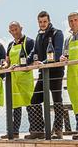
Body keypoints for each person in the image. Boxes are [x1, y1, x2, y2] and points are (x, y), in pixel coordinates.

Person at [27, 11, 65, 140]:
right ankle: (38, 130)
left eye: (44, 21)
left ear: (49, 21)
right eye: (40, 22)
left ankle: (58, 130)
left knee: (57, 100)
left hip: (55, 71)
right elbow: (34, 52)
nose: (42, 24)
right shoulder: (39, 35)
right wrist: (21, 64)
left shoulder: (57, 33)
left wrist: (41, 62)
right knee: (35, 100)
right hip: (43, 72)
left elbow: (58, 52)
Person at [2, 21, 37, 138]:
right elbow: (8, 60)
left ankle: (34, 130)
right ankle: (14, 132)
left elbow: (33, 58)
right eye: (12, 30)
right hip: (13, 80)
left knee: (30, 105)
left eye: (16, 29)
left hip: (25, 78)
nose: (14, 32)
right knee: (15, 107)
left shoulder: (29, 42)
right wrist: (4, 64)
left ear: (21, 28)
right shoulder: (10, 45)